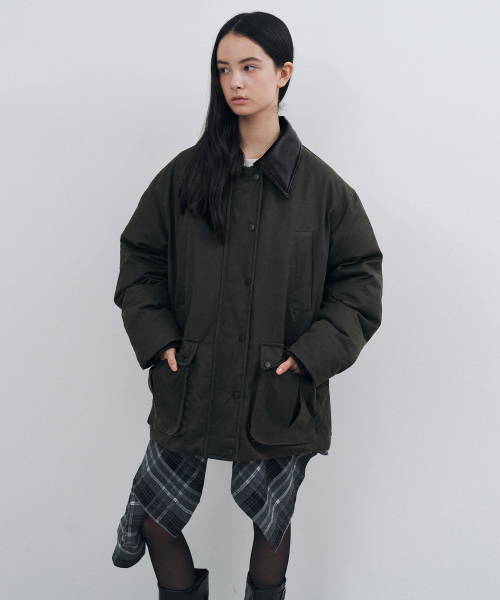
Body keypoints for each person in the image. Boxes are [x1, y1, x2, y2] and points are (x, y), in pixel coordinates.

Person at [111, 11, 383, 600]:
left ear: (283, 74)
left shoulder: (324, 190)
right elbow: (141, 260)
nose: (234, 82)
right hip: (192, 380)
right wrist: (159, 338)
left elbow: (359, 284)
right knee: (155, 520)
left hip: (278, 387)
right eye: (223, 69)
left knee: (270, 525)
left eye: (250, 67)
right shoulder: (185, 175)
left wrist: (309, 357)